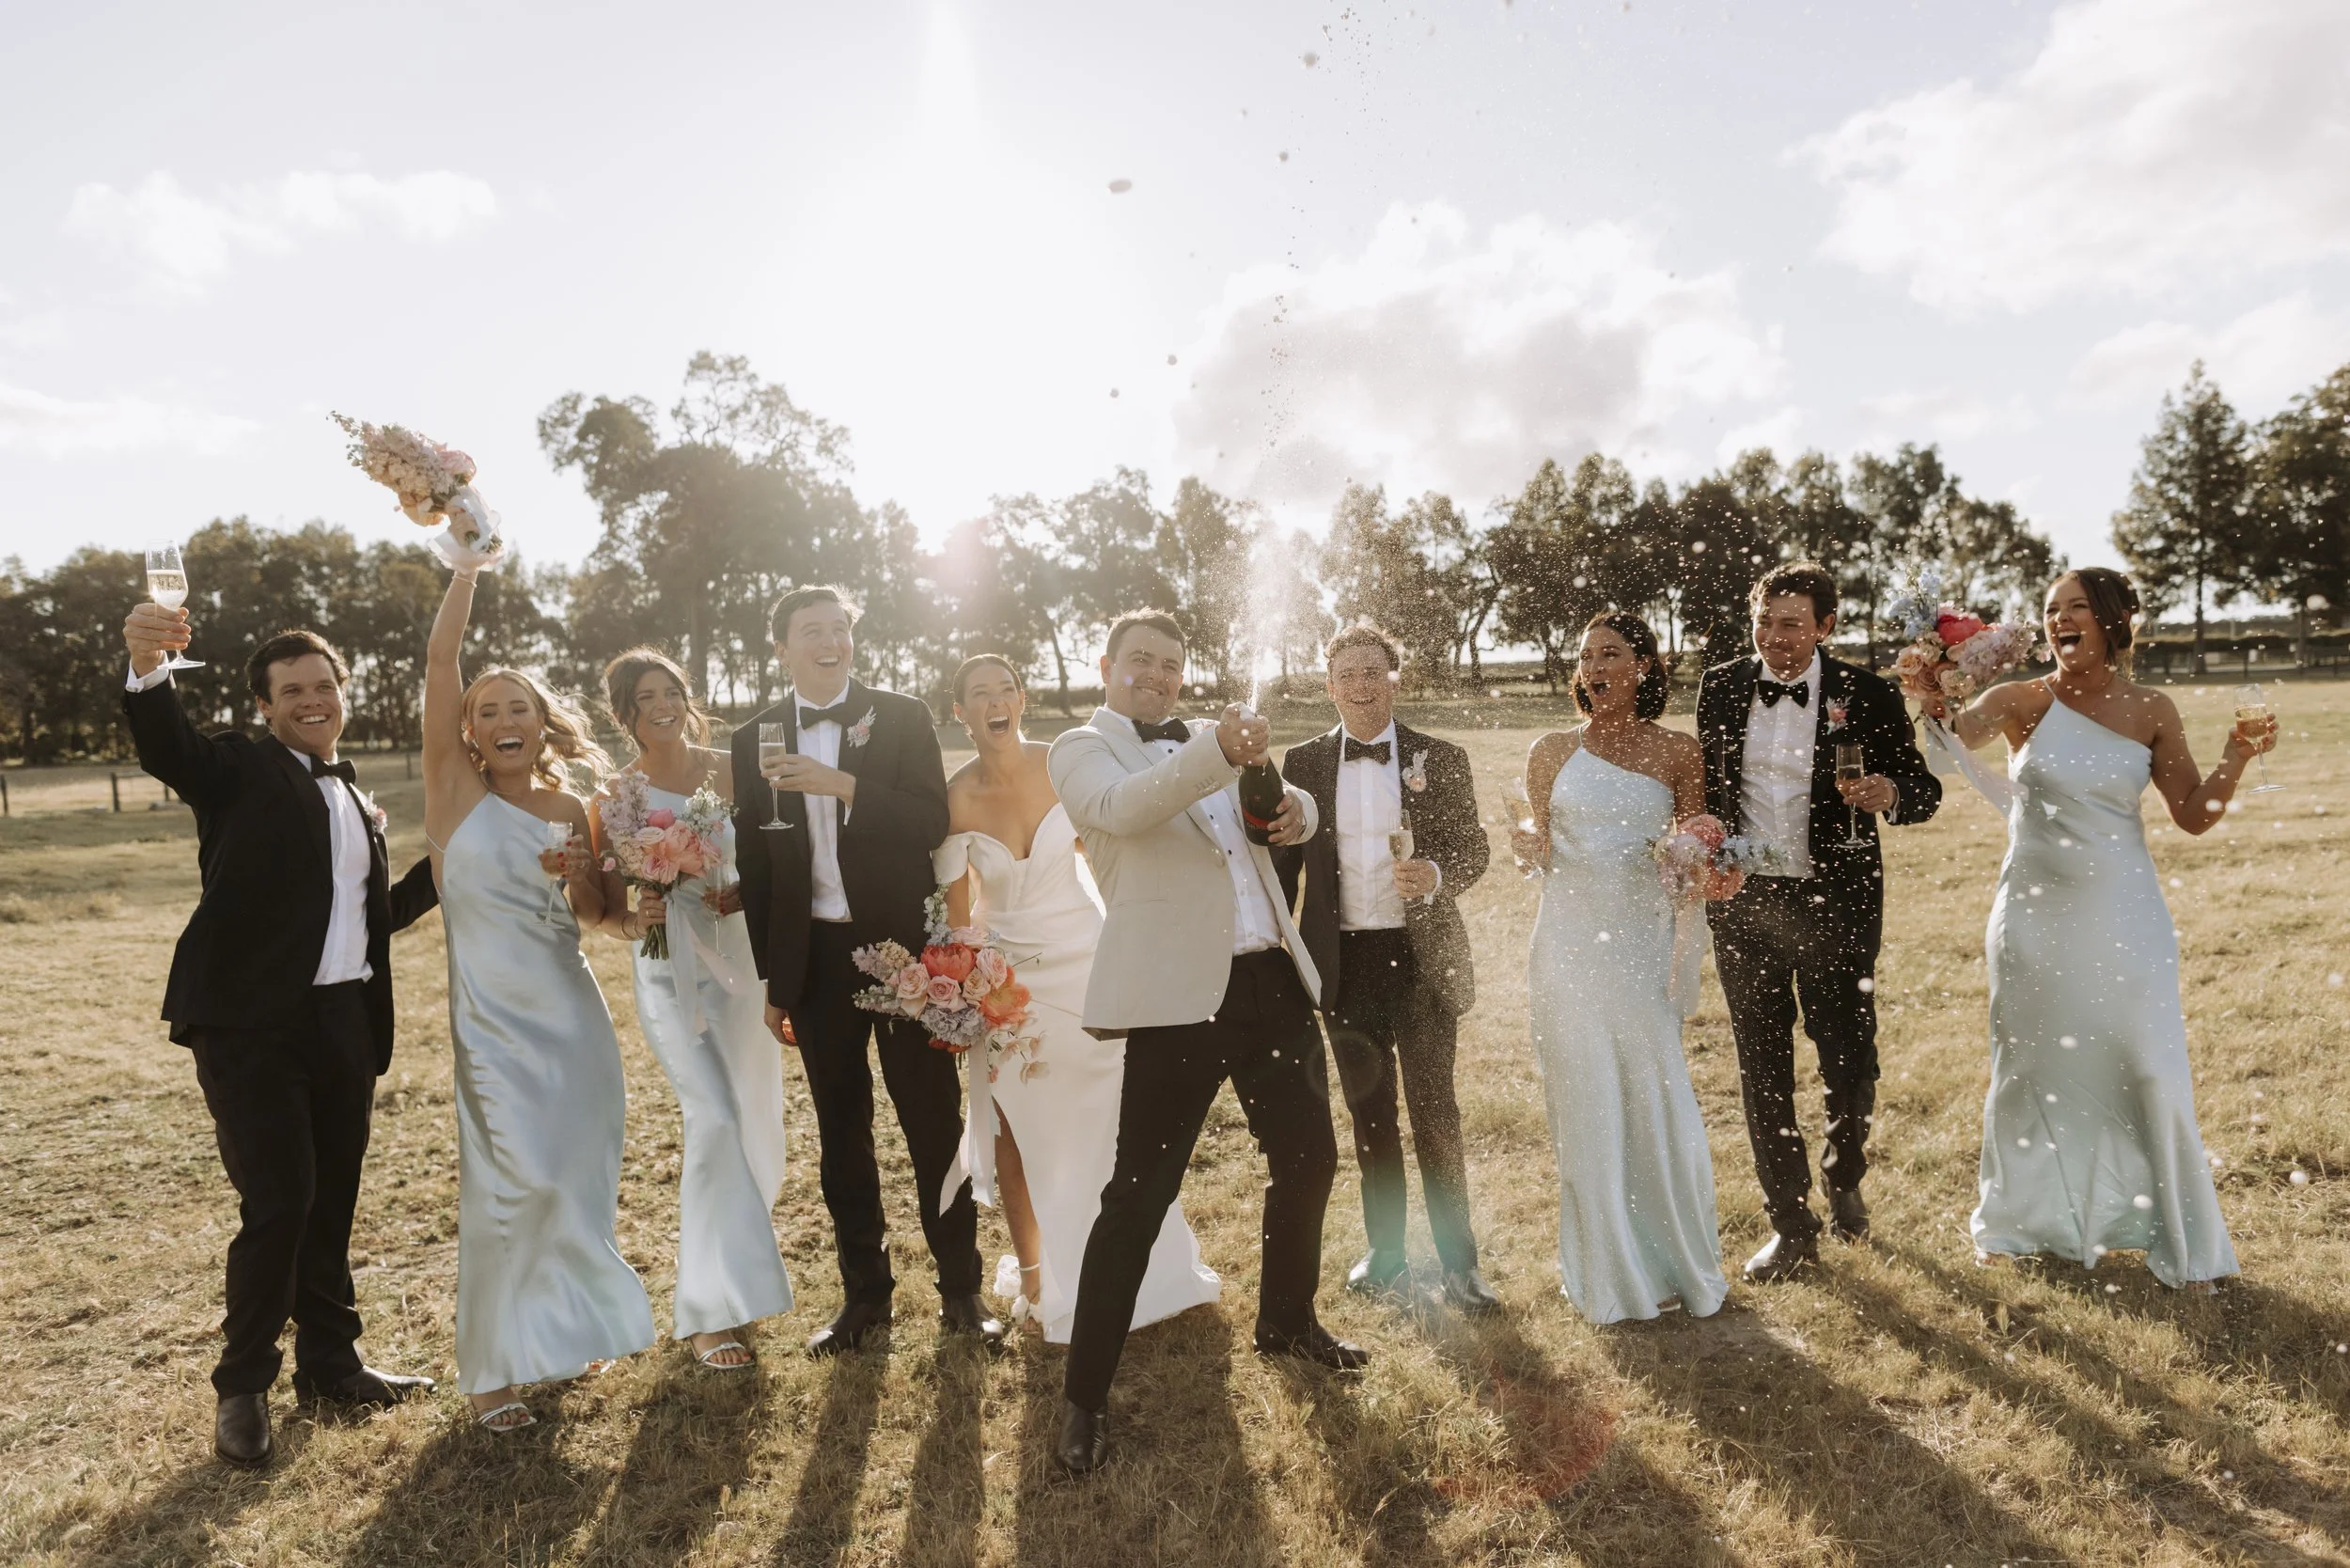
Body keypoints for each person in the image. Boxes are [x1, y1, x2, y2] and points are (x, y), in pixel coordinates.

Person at [121, 606, 439, 1467]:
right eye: (291, 689)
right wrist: (148, 666)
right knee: (281, 1203)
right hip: (249, 1027)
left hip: (345, 1020)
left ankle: (333, 1369)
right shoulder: (237, 769)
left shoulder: (354, 797)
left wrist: (441, 870)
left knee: (330, 1201)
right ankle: (242, 1388)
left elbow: (371, 921)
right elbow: (168, 749)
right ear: (263, 706)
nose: (312, 699)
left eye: (324, 685)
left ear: (344, 693)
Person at [1047, 608, 1355, 1478]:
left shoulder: (1206, 741)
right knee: (1138, 1198)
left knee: (1310, 1161)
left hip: (1271, 983)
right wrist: (1220, 750)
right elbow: (1125, 810)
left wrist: (1292, 804)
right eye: (1139, 659)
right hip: (1178, 1001)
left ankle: (1287, 1323)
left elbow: (1273, 818)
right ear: (1107, 665)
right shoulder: (1080, 747)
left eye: (1171, 663)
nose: (1156, 674)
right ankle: (1084, 1403)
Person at [1912, 568, 2262, 1292]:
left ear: (2114, 620)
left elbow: (2193, 814)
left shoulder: (2152, 707)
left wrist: (2238, 754)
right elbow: (1943, 740)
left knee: (2150, 1067)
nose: (2059, 620)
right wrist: (1937, 682)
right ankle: (2019, 1219)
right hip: (2036, 917)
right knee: (2033, 1068)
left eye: (2076, 608)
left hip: (2126, 915)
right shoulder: (2018, 701)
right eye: (2050, 610)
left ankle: (2172, 1227)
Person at [731, 586, 995, 1356]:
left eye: (840, 628)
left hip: (905, 955)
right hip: (812, 964)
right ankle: (864, 1300)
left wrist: (843, 785)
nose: (830, 642)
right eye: (812, 631)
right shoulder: (756, 736)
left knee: (931, 1123)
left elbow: (931, 821)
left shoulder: (904, 715)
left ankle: (962, 1292)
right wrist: (775, 984)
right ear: (781, 647)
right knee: (842, 1134)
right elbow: (755, 865)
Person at [421, 562, 654, 1431]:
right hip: (493, 1027)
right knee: (506, 1186)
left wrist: (609, 886)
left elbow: (597, 917)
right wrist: (467, 567)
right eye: (486, 709)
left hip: (573, 1017)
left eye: (518, 705)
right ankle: (491, 1374)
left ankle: (557, 1331)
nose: (504, 718)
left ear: (540, 721)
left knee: (575, 1178)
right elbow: (442, 660)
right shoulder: (453, 791)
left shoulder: (572, 808)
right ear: (468, 731)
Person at [934, 653, 1220, 1341]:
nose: (998, 701)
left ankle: (1150, 1270)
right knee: (1020, 1131)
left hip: (1092, 963)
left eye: (1007, 688)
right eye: (981, 694)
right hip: (1009, 989)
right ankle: (1039, 1281)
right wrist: (959, 985)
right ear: (961, 713)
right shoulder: (955, 797)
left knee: (1119, 1116)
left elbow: (1114, 847)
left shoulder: (1062, 762)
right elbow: (957, 916)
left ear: (1022, 698)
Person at [1698, 562, 1942, 1283]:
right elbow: (1705, 788)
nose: (1775, 638)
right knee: (1761, 1065)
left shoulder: (1866, 694)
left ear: (1827, 627)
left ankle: (1844, 1175)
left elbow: (1923, 790)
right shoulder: (1720, 687)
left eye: (1792, 625)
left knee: (1847, 1054)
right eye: (1764, 622)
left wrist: (1889, 790)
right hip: (1746, 904)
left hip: (1839, 902)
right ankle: (1790, 1221)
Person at [1272, 624, 1498, 1313]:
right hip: (1345, 961)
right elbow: (1281, 866)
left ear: (1395, 678)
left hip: (1423, 961)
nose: (1362, 684)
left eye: (1375, 670)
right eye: (1348, 673)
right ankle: (1387, 1251)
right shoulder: (1302, 763)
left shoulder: (1441, 756)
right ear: (1329, 684)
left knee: (1436, 1112)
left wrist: (1434, 872)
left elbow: (1474, 847)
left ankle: (1461, 1263)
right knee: (1370, 1115)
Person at [1511, 613, 1731, 1323]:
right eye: (1585, 656)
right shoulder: (1550, 750)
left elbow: (1696, 846)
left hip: (1641, 944)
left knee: (1651, 1092)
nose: (1595, 666)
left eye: (1610, 653)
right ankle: (1609, 1274)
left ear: (1643, 665)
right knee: (1587, 1101)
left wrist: (1697, 865)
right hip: (1568, 944)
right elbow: (1538, 845)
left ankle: (1672, 1260)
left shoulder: (1678, 751)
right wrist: (1526, 845)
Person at [589, 648, 792, 1371]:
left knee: (758, 1115)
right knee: (715, 1116)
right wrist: (643, 907)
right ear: (625, 714)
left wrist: (751, 898)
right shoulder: (617, 796)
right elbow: (611, 911)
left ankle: (739, 1262)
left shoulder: (730, 765)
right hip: (670, 968)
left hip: (741, 956)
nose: (663, 704)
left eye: (670, 690)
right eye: (645, 697)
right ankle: (707, 1314)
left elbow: (773, 852)